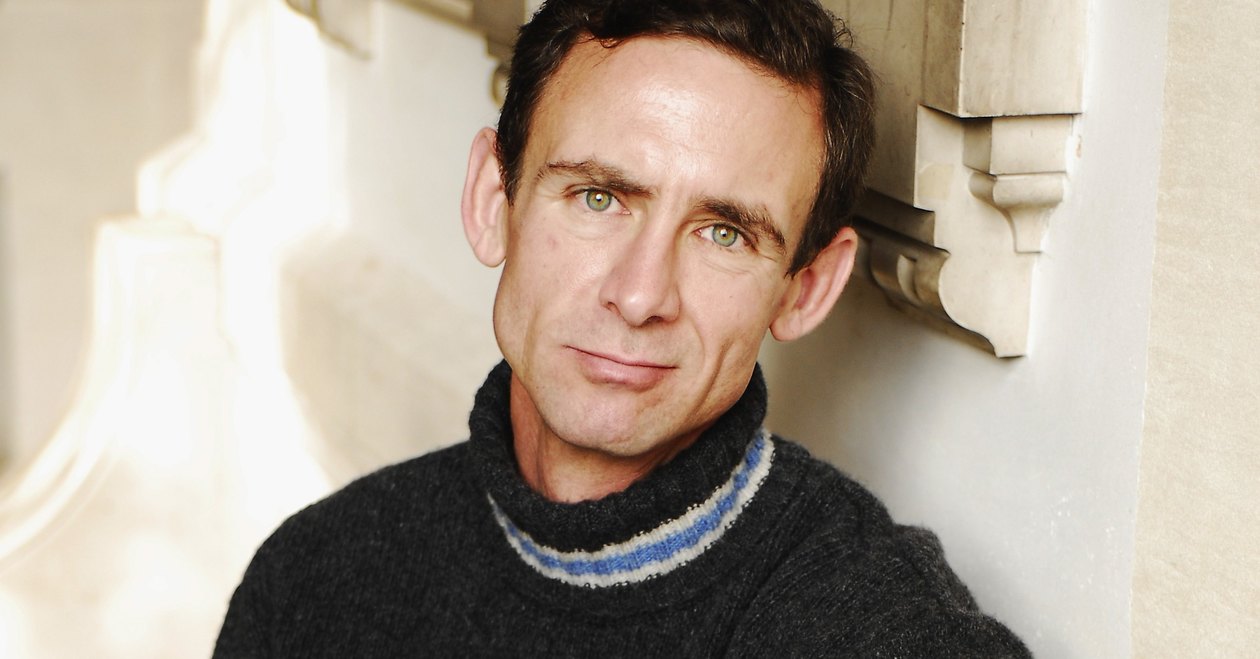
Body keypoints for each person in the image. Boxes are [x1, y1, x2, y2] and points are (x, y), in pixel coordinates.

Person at [214, 0, 1030, 655]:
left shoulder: (877, 628)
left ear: (805, 289)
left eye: (724, 233)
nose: (640, 296)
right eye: (599, 196)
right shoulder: (317, 576)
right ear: (493, 202)